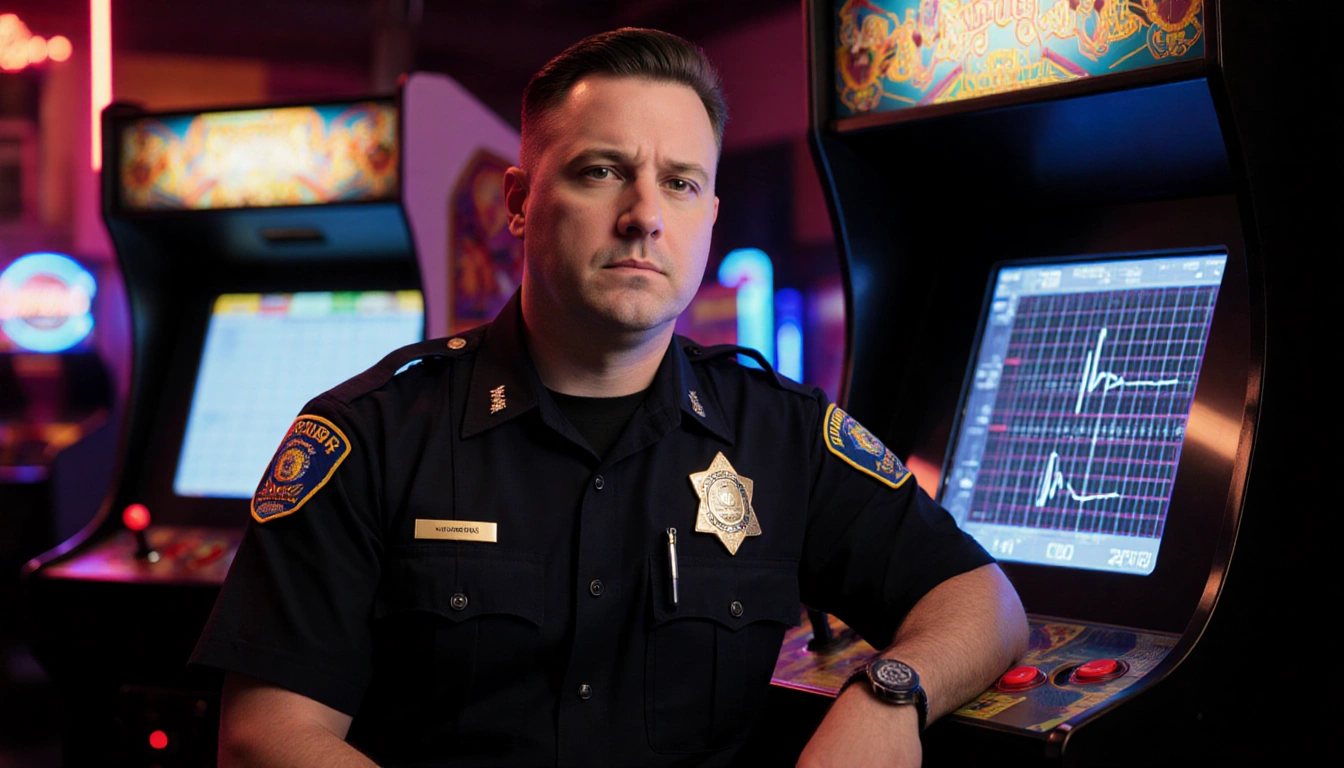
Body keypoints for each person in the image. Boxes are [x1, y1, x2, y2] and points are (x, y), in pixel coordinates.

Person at [191, 27, 1028, 768]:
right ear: (518, 203)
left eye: (680, 183)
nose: (643, 216)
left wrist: (888, 696)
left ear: (709, 217)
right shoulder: (368, 436)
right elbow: (266, 737)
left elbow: (982, 601)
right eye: (602, 172)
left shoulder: (782, 434)